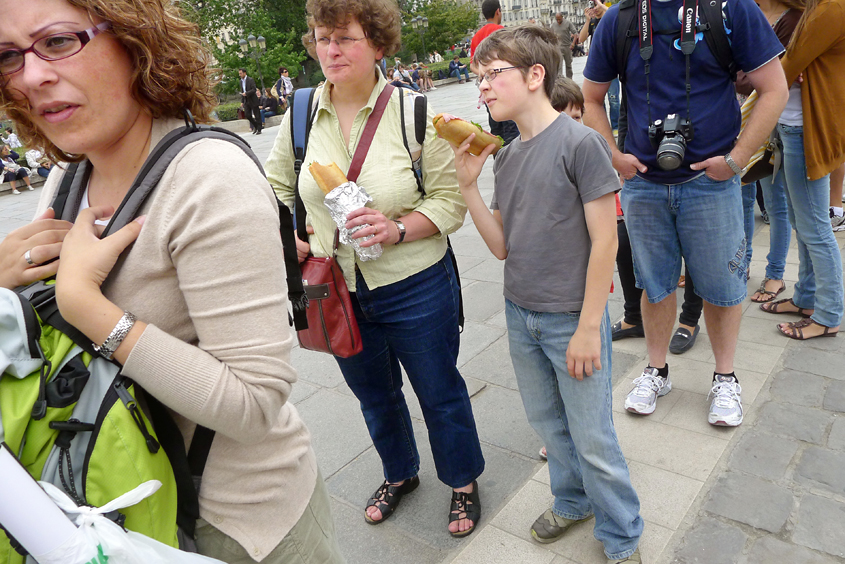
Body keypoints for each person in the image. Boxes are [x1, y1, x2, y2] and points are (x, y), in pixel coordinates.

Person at [0, 1, 344, 563]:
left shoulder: (208, 178)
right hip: (112, 507)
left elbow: (256, 405)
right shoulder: (70, 172)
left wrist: (87, 306)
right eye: (9, 55)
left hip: (235, 525)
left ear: (137, 42)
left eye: (59, 41)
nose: (31, 75)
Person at [266, 0, 485, 538]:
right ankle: (400, 472)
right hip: (337, 288)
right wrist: (286, 235)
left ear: (379, 45)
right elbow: (273, 187)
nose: (331, 50)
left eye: (345, 38)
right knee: (374, 394)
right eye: (322, 38)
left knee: (438, 388)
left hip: (415, 283)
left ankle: (462, 479)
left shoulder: (414, 113)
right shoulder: (300, 113)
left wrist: (397, 228)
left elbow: (447, 202)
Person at [451, 25, 643, 563]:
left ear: (536, 76)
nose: (483, 87)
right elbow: (503, 248)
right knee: (549, 424)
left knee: (593, 437)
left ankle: (622, 535)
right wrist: (468, 186)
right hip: (522, 315)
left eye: (494, 74)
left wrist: (588, 327)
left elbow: (606, 239)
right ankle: (572, 499)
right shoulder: (507, 157)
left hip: (570, 319)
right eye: (479, 77)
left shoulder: (580, 144)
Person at [583, 0, 788, 427]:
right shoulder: (621, 18)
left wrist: (736, 160)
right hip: (642, 184)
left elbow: (776, 88)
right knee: (654, 284)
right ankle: (656, 370)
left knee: (722, 287)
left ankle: (725, 377)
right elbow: (590, 98)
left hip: (711, 184)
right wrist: (614, 155)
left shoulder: (730, 9)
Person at [759, 0, 845, 340]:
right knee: (802, 222)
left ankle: (828, 314)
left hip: (806, 128)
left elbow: (785, 67)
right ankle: (807, 298)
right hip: (794, 124)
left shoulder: (832, 7)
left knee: (814, 228)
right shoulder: (819, 7)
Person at [736, 0, 803, 304]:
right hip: (739, 118)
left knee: (775, 204)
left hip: (775, 123)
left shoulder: (793, 18)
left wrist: (746, 76)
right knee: (742, 201)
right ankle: (742, 264)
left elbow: (784, 76)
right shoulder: (740, 11)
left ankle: (775, 274)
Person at [470, 0, 520, 145]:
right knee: (511, 127)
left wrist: (486, 75)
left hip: (487, 90)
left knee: (496, 128)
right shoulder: (502, 32)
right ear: (498, 11)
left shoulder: (476, 36)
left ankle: (499, 160)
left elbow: (473, 66)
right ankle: (513, 160)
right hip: (505, 87)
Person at [550, 12, 578, 78]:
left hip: (567, 47)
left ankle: (569, 80)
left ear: (562, 17)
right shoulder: (553, 25)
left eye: (559, 19)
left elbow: (575, 33)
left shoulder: (568, 23)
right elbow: (550, 35)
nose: (558, 21)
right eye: (557, 19)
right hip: (558, 47)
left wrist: (573, 43)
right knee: (559, 66)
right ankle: (561, 81)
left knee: (568, 65)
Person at [238, 68, 262, 134]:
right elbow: (242, 91)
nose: (240, 75)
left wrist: (247, 93)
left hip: (253, 99)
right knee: (247, 115)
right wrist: (242, 101)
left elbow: (254, 89)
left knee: (257, 115)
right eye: (239, 73)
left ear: (244, 73)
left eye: (241, 73)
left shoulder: (250, 80)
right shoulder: (241, 81)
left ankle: (259, 128)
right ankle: (255, 126)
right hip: (246, 100)